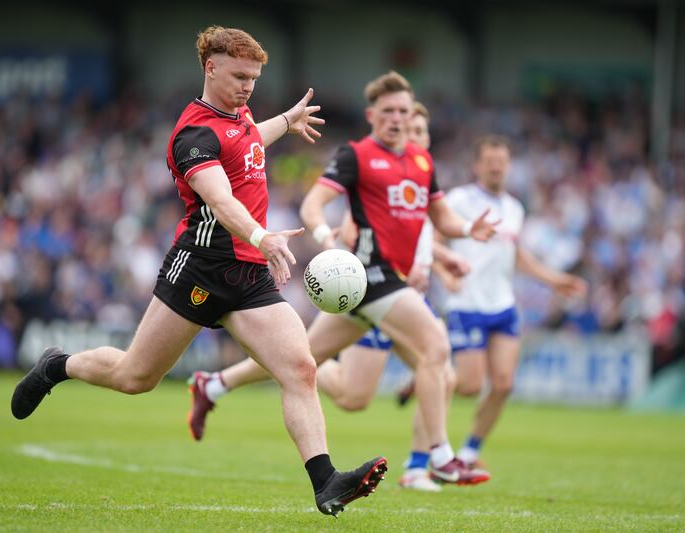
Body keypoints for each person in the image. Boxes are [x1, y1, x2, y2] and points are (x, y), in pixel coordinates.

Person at [10, 25, 387, 517]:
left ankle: (325, 482)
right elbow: (220, 198)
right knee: (134, 376)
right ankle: (57, 365)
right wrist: (261, 235)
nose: (248, 85)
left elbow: (248, 141)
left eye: (254, 77)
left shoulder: (239, 115)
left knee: (300, 368)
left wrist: (286, 120)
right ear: (210, 68)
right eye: (239, 76)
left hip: (248, 276)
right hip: (200, 270)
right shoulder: (193, 134)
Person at [187, 71, 499, 486]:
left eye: (403, 111)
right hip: (372, 277)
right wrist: (324, 236)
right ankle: (436, 457)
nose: (396, 118)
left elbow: (440, 217)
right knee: (436, 349)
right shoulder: (357, 155)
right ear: (372, 114)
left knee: (318, 371)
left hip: (387, 284)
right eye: (388, 111)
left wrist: (465, 231)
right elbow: (314, 204)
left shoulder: (422, 161)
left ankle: (215, 385)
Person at [323, 102, 481, 492]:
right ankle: (435, 459)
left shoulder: (420, 176)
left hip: (403, 293)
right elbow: (356, 226)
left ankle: (418, 466)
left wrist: (441, 264)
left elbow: (423, 235)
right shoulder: (380, 178)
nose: (415, 140)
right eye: (410, 132)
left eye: (421, 133)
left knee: (441, 370)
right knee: (353, 396)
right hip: (380, 291)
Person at [419, 134, 588, 476]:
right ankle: (430, 376)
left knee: (504, 384)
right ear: (477, 165)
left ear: (508, 166)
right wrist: (441, 272)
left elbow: (515, 255)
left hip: (503, 305)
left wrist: (553, 279)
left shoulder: (514, 207)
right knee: (468, 385)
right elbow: (431, 240)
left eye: (501, 162)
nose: (496, 168)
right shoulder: (460, 199)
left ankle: (468, 452)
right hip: (467, 303)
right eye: (490, 162)